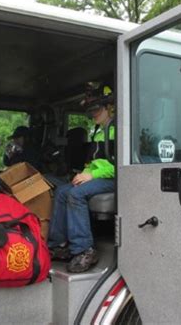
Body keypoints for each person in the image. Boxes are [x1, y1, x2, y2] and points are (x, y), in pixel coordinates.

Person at [48, 84, 115, 273]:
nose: (93, 114)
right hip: (98, 176)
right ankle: (59, 245)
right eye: (91, 111)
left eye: (97, 110)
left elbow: (117, 165)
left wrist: (91, 175)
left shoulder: (118, 129)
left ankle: (85, 249)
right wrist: (83, 173)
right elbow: (96, 161)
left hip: (115, 179)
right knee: (62, 191)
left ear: (109, 108)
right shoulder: (100, 130)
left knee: (76, 194)